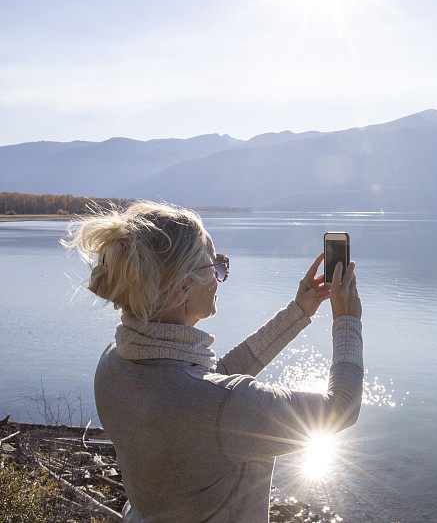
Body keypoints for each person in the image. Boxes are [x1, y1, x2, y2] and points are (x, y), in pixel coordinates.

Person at [60, 200, 363, 522]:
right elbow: (340, 408)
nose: (219, 278)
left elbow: (205, 386)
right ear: (182, 288)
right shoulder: (216, 405)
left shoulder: (113, 363)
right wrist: (347, 320)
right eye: (213, 267)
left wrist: (298, 312)